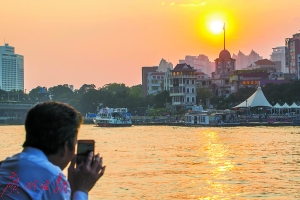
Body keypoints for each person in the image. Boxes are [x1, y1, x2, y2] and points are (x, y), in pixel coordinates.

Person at [0, 101, 106, 200]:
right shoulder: (52, 178)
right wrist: (82, 189)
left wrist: (72, 190)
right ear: (65, 147)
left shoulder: (4, 166)